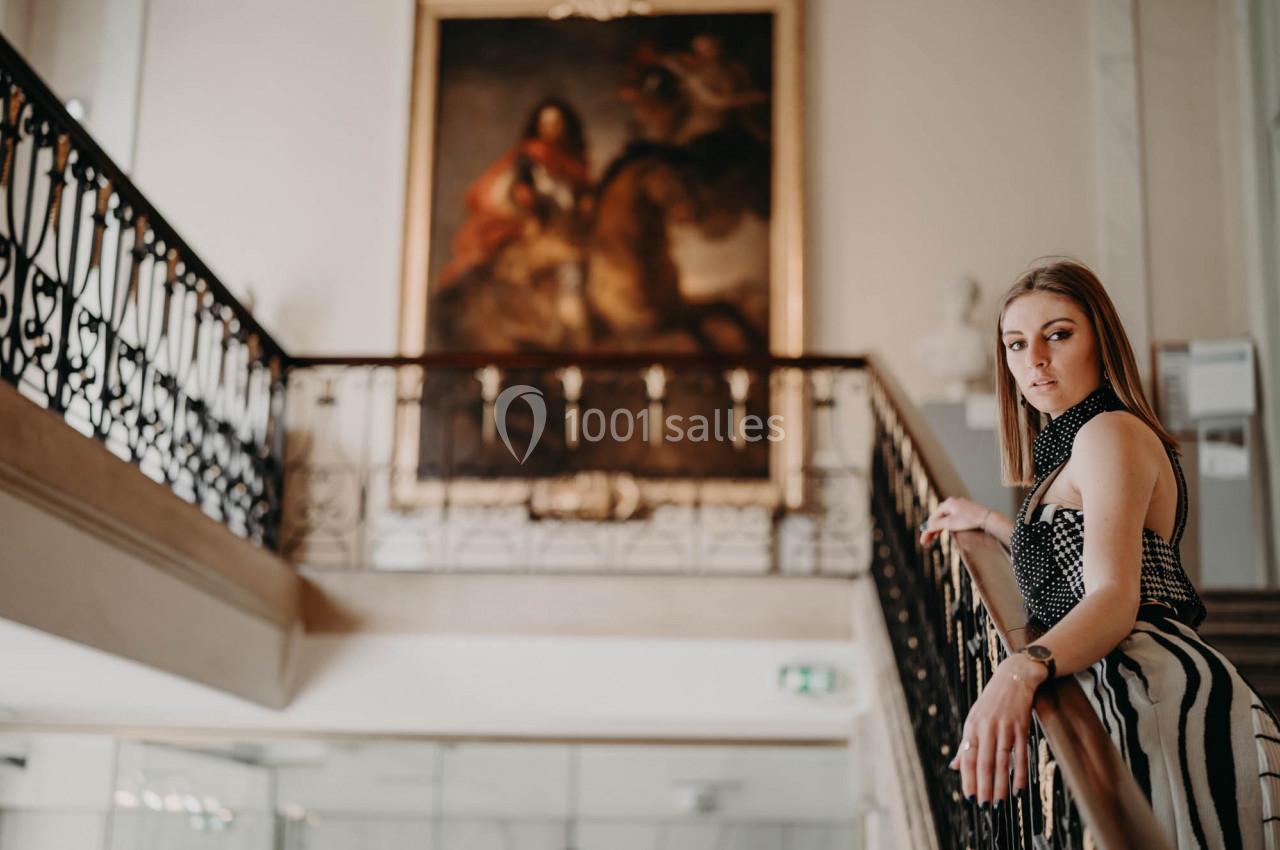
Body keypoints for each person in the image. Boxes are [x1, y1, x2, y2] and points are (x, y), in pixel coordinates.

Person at [918, 260, 1280, 849]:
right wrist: (989, 521)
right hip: (1129, 684)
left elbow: (1112, 594)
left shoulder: (1107, 432)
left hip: (1152, 691)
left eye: (1057, 334)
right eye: (1015, 343)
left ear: (1100, 341)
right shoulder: (1080, 444)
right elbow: (1075, 559)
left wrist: (1019, 669)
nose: (1033, 358)